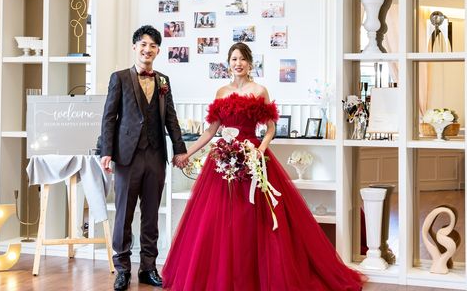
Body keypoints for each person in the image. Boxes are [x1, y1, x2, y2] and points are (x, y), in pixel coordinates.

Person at [162, 42, 365, 290]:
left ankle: (254, 276)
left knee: (251, 217)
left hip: (252, 157)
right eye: (234, 59)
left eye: (242, 59)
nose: (238, 63)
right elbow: (210, 131)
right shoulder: (221, 92)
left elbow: (270, 128)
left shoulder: (259, 91)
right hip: (224, 159)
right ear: (228, 63)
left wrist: (259, 150)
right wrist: (186, 153)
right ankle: (223, 277)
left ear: (250, 64)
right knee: (220, 219)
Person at [100, 25, 187, 291]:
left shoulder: (163, 81)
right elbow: (109, 117)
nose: (147, 49)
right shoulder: (119, 78)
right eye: (143, 44)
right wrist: (106, 151)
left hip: (156, 155)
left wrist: (180, 149)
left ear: (158, 50)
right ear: (135, 47)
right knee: (124, 214)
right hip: (127, 156)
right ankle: (122, 269)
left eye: (153, 46)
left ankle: (148, 268)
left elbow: (170, 117)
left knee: (150, 215)